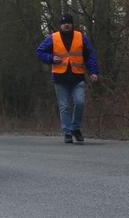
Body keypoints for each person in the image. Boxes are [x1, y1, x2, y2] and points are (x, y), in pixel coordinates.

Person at [35, 12, 99, 143]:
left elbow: (90, 55)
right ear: (60, 25)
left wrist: (93, 72)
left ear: (72, 24)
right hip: (60, 78)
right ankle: (67, 132)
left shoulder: (81, 37)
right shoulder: (53, 38)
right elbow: (39, 52)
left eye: (68, 22)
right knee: (64, 107)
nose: (66, 25)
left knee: (80, 103)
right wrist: (51, 59)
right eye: (64, 23)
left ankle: (75, 128)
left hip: (77, 77)